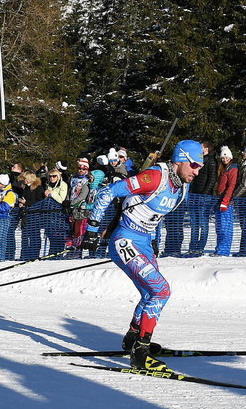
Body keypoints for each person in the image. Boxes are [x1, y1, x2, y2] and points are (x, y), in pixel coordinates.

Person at [80, 140, 203, 371]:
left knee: (150, 292)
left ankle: (132, 339)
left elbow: (154, 213)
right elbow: (108, 192)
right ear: (180, 160)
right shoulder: (155, 177)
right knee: (161, 290)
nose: (197, 171)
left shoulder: (183, 187)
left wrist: (153, 241)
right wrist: (92, 229)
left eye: (200, 167)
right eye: (194, 165)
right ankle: (140, 353)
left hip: (144, 242)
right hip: (125, 240)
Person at [188, 142, 217, 256]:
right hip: (194, 195)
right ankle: (192, 246)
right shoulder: (197, 160)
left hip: (204, 197)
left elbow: (212, 179)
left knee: (203, 223)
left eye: (201, 147)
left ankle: (200, 247)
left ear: (206, 149)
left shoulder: (211, 161)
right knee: (194, 223)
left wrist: (205, 194)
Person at [213, 146, 238, 256]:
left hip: (226, 201)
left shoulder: (232, 169)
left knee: (225, 227)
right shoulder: (223, 169)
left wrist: (225, 200)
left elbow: (231, 186)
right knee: (219, 227)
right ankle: (219, 249)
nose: (224, 159)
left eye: (226, 157)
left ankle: (224, 250)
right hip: (219, 199)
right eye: (223, 157)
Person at [18, 171, 45, 260]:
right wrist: (22, 205)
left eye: (25, 178)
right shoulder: (25, 188)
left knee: (34, 236)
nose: (24, 180)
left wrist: (27, 203)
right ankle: (24, 255)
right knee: (25, 236)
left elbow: (39, 202)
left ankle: (35, 254)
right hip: (26, 215)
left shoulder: (38, 188)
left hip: (35, 216)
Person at [65, 159, 91, 249]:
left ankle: (77, 246)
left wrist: (72, 202)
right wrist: (67, 201)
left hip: (80, 208)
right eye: (80, 168)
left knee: (78, 229)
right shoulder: (74, 179)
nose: (81, 171)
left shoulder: (86, 180)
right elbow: (70, 191)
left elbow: (83, 195)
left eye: (83, 169)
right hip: (72, 207)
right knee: (71, 227)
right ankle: (71, 245)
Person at [44, 168, 69, 255]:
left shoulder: (63, 185)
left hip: (59, 214)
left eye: (54, 176)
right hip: (50, 215)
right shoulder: (48, 185)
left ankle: (59, 253)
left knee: (59, 236)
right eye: (50, 176)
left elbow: (61, 199)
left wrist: (52, 193)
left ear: (58, 177)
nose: (52, 178)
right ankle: (52, 253)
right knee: (51, 236)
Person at [0, 174, 16, 261]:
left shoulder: (9, 193)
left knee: (1, 238)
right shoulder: (2, 192)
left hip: (5, 218)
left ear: (3, 182)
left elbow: (5, 207)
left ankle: (0, 257)